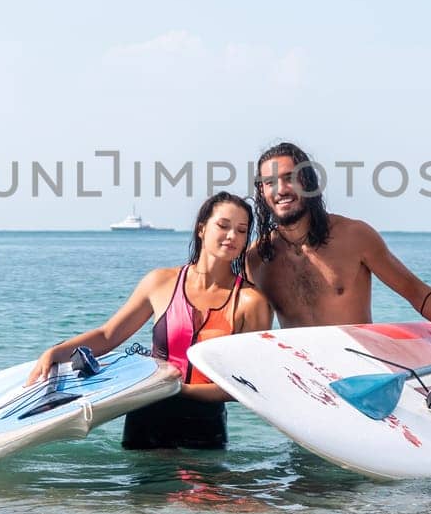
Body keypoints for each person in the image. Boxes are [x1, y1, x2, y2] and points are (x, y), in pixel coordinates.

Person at [26, 191, 273, 449]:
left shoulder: (251, 302)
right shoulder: (160, 282)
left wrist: (176, 388)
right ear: (202, 229)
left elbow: (245, 384)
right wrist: (57, 353)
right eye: (223, 226)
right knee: (144, 491)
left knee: (204, 492)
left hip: (204, 429)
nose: (232, 236)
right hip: (145, 418)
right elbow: (109, 335)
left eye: (242, 230)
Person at [245, 141, 431, 376]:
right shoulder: (258, 258)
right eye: (270, 182)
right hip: (306, 382)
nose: (281, 190)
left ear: (308, 181)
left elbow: (415, 291)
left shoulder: (354, 236)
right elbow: (243, 321)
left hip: (360, 373)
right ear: (261, 190)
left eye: (289, 178)